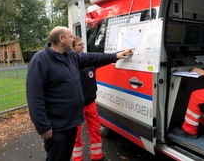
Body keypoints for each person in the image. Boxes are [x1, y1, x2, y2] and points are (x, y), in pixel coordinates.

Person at [26, 26, 133, 161]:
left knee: (65, 156)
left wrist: (115, 55)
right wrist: (43, 127)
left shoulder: (70, 56)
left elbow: (93, 58)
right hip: (56, 127)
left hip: (72, 123)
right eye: (70, 37)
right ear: (61, 38)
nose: (73, 39)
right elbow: (34, 96)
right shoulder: (40, 60)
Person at [71, 36, 108, 161]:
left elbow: (104, 59)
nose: (83, 47)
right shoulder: (69, 63)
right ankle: (77, 159)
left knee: (95, 130)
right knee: (76, 135)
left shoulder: (89, 60)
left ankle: (97, 157)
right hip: (76, 106)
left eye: (83, 44)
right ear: (72, 47)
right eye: (80, 45)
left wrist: (117, 55)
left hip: (91, 103)